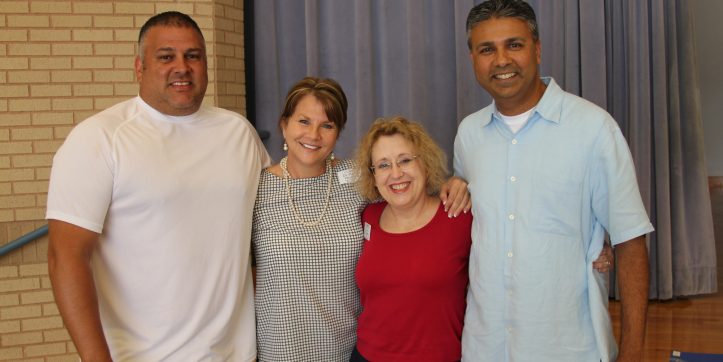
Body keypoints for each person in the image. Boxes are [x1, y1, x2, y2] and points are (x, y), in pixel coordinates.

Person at [46, 12, 270, 361]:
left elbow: (269, 229)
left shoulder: (239, 133)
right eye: (166, 57)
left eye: (193, 56)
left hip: (236, 355)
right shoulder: (99, 139)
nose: (181, 67)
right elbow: (66, 257)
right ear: (139, 67)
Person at [455, 1, 654, 361]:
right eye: (487, 49)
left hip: (569, 346)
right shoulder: (469, 134)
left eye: (514, 44)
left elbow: (630, 240)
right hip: (485, 346)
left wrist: (634, 351)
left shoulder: (594, 129)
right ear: (473, 59)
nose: (501, 60)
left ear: (538, 49)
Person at [251, 77, 471, 361]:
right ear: (284, 124)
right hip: (281, 350)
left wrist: (455, 184)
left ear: (338, 133)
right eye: (304, 121)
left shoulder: (356, 180)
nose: (314, 134)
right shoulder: (255, 189)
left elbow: (404, 192)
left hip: (349, 350)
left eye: (327, 125)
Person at [351, 116, 473, 362]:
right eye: (383, 165)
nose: (396, 174)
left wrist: (462, 184)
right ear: (373, 176)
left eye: (405, 160)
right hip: (367, 356)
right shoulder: (368, 217)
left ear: (425, 164)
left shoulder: (458, 217)